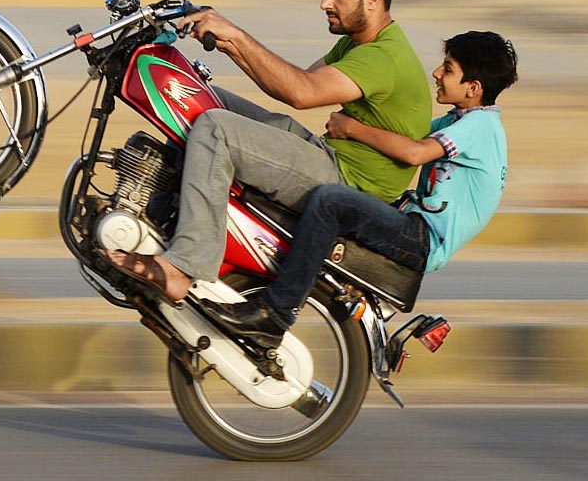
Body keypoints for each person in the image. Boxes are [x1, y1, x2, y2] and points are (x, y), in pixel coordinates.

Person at [107, 0, 432, 299]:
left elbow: (301, 92)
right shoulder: (363, 41)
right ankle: (163, 217)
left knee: (216, 130)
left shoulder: (382, 57)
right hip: (330, 155)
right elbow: (292, 79)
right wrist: (228, 41)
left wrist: (235, 34)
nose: (325, 3)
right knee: (200, 100)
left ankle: (185, 265)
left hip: (346, 184)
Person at [200, 31, 519, 348]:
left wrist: (351, 128)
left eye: (448, 69)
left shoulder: (480, 127)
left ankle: (276, 312)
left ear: (474, 88)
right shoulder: (460, 121)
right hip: (411, 221)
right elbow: (405, 135)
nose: (436, 73)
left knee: (330, 201)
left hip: (422, 237)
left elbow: (414, 152)